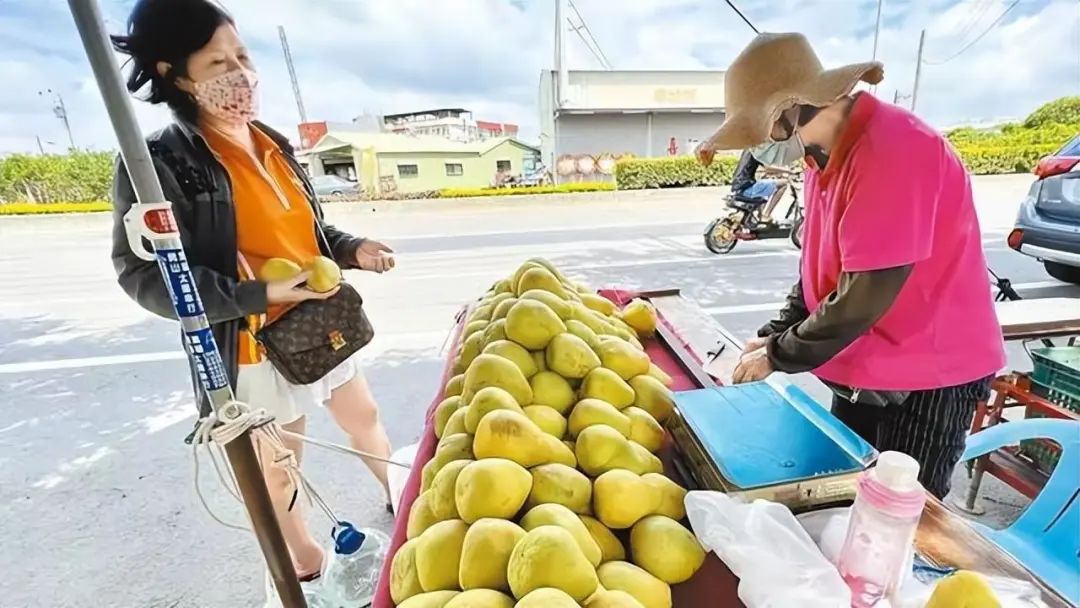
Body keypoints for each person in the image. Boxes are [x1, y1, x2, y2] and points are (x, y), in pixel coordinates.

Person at [111, 0, 396, 580]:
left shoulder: (270, 142)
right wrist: (255, 297)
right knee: (279, 463)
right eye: (217, 63)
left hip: (317, 319)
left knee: (361, 414)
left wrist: (351, 248)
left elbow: (306, 230)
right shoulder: (159, 161)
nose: (240, 74)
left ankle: (400, 497)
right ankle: (307, 563)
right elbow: (141, 274)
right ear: (173, 73)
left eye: (242, 55)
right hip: (250, 342)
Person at [696, 33, 1006, 499]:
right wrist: (777, 330)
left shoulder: (893, 149)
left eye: (760, 134)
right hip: (865, 363)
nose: (758, 148)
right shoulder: (821, 157)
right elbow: (819, 272)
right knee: (848, 494)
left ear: (789, 111)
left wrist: (779, 354)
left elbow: (864, 295)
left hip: (927, 373)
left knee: (899, 516)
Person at [729, 149, 790, 222]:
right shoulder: (756, 151)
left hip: (739, 186)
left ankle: (760, 215)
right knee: (784, 184)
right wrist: (788, 171)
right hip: (747, 187)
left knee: (764, 184)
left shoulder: (748, 150)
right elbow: (768, 168)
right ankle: (766, 215)